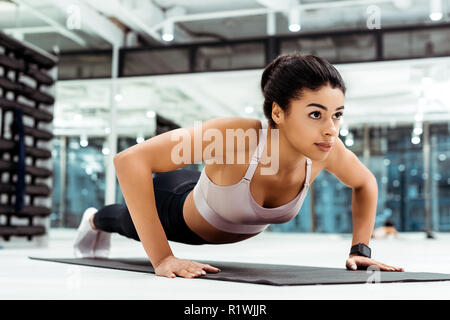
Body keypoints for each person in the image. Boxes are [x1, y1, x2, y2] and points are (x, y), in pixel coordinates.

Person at [73, 53, 404, 279]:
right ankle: (93, 219)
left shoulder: (325, 151)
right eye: (316, 114)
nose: (331, 128)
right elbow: (130, 160)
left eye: (337, 115)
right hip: (174, 208)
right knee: (120, 218)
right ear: (278, 113)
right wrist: (162, 258)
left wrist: (360, 249)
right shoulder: (235, 136)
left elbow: (365, 183)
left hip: (206, 193)